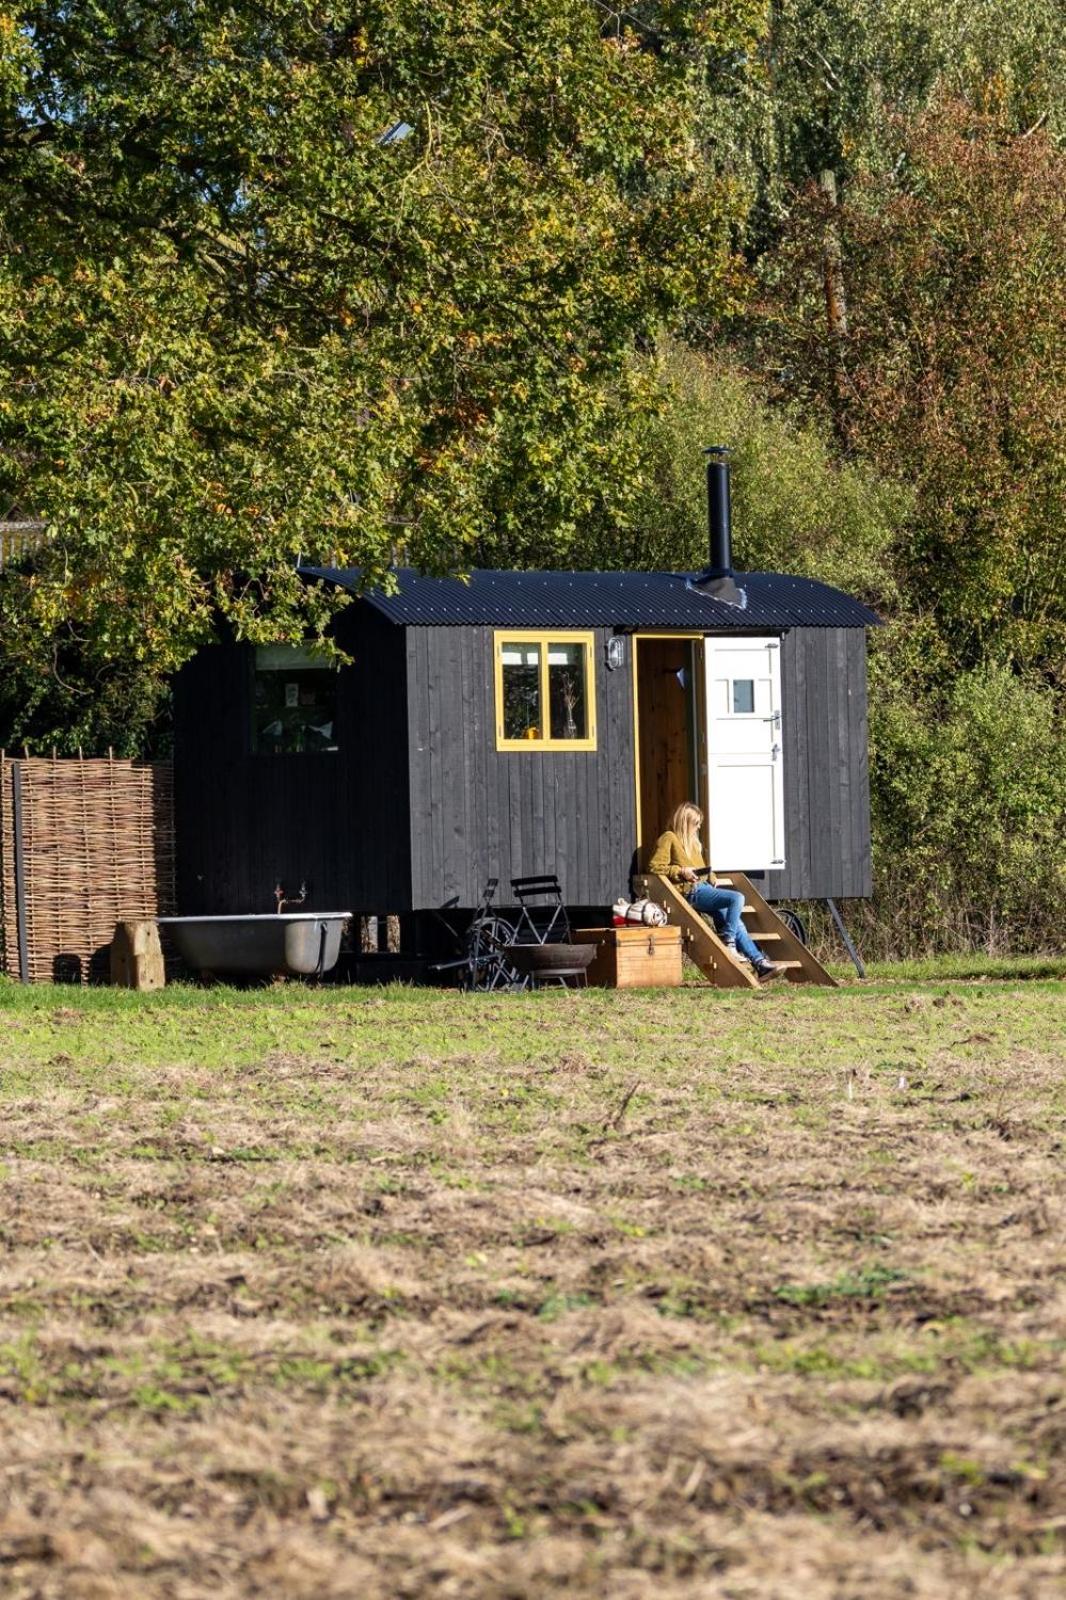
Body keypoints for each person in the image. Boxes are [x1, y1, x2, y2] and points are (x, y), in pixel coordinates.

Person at [648, 801, 787, 983]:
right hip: (691, 891)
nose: (698, 827)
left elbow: (700, 866)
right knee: (737, 898)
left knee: (738, 924)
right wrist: (681, 871)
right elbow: (654, 867)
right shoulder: (669, 838)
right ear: (685, 822)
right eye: (695, 823)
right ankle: (728, 942)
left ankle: (760, 964)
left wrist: (711, 875)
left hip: (703, 887)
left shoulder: (693, 842)